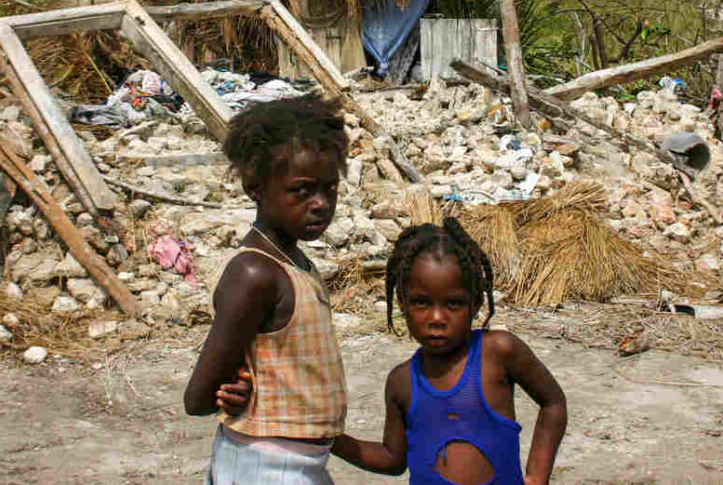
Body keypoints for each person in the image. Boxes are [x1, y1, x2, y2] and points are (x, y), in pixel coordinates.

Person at [184, 94, 349, 485]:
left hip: (298, 462)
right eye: (302, 190)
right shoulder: (256, 273)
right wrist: (230, 392)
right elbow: (199, 398)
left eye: (330, 189)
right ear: (255, 187)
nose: (320, 204)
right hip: (264, 465)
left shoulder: (294, 263)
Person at [332, 219, 567, 485]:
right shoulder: (402, 382)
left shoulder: (498, 352)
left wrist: (537, 476)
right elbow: (393, 459)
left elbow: (553, 403)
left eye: (453, 304)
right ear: (402, 303)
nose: (436, 318)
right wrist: (333, 441)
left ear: (476, 302)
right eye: (421, 303)